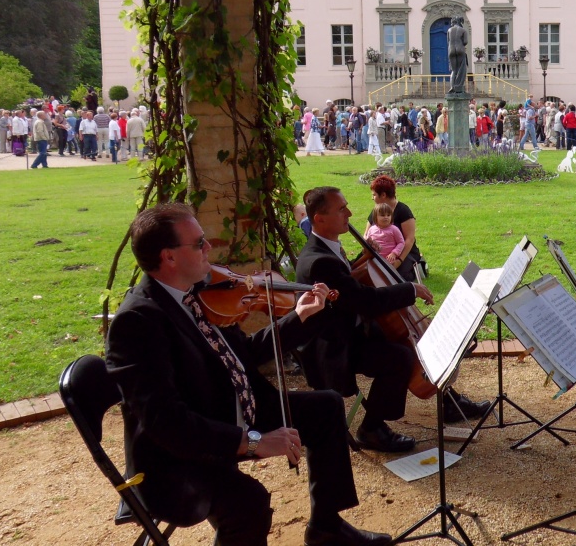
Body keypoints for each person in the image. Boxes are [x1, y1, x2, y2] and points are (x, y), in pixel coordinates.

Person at [105, 203, 389, 546]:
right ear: (168, 257)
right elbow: (168, 423)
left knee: (326, 408)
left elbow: (248, 352)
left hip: (228, 409)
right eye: (199, 244)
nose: (209, 249)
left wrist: (299, 318)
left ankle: (326, 528)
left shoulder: (196, 295)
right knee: (249, 503)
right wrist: (253, 442)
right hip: (178, 455)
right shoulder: (137, 322)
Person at [294, 187, 487, 451]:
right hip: (334, 347)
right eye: (342, 209)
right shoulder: (318, 261)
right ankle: (372, 428)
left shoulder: (325, 249)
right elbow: (365, 301)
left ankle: (449, 401)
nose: (349, 213)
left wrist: (360, 260)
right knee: (401, 356)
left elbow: (346, 284)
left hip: (350, 328)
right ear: (319, 219)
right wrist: (409, 289)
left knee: (419, 338)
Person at [447, 16, 468, 94]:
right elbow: (465, 42)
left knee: (454, 70)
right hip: (460, 50)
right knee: (461, 69)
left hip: (451, 50)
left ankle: (452, 87)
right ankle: (459, 86)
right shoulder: (463, 30)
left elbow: (448, 42)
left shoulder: (449, 30)